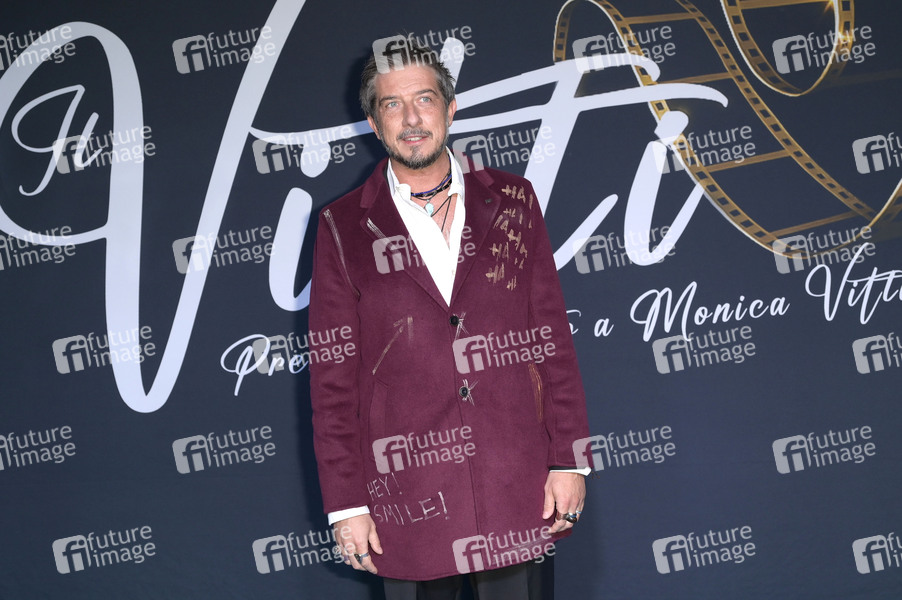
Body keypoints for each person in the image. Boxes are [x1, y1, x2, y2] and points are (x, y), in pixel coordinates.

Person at [308, 39, 590, 599]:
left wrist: (571, 461)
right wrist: (346, 504)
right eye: (393, 104)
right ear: (373, 122)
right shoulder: (341, 226)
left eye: (425, 99)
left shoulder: (513, 199)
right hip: (406, 502)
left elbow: (551, 340)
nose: (412, 119)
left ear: (451, 108)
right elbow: (331, 382)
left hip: (516, 484)